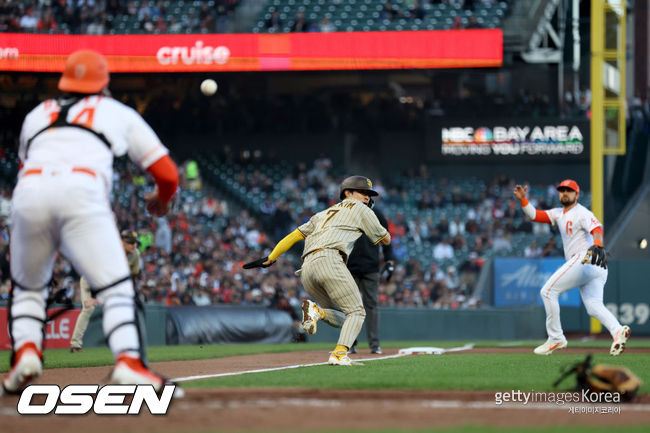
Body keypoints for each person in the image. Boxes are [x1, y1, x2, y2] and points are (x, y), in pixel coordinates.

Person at [2, 50, 179, 395]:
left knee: (28, 290)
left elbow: (27, 166)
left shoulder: (37, 115)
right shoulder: (116, 112)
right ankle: (128, 362)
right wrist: (161, 200)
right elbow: (168, 174)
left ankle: (25, 353)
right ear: (103, 84)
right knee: (115, 288)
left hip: (28, 195)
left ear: (64, 82)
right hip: (81, 194)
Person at [242, 176, 391, 366]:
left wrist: (271, 257)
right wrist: (377, 224)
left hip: (307, 269)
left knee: (344, 317)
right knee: (357, 312)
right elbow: (386, 240)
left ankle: (318, 312)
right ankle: (338, 354)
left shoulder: (322, 213)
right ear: (347, 193)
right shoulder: (362, 209)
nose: (367, 197)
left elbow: (294, 235)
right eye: (363, 192)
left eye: (369, 194)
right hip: (330, 260)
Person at [514, 179, 630, 356]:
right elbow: (534, 215)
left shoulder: (581, 212)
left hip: (586, 258)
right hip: (595, 267)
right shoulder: (558, 213)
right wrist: (523, 199)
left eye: (569, 190)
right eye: (562, 190)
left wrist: (597, 244)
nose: (565, 193)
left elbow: (597, 227)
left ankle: (556, 338)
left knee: (547, 292)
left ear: (576, 194)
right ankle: (617, 331)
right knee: (593, 306)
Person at [70, 230, 142, 353]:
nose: (133, 245)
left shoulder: (135, 254)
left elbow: (132, 275)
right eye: (130, 242)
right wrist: (95, 297)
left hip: (109, 282)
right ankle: (75, 344)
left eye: (135, 243)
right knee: (88, 308)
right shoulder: (111, 252)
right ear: (121, 241)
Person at [347, 205, 394, 355]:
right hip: (350, 265)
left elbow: (386, 238)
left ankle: (374, 344)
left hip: (370, 266)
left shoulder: (376, 213)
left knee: (370, 305)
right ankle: (350, 342)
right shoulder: (345, 211)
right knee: (351, 306)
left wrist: (389, 260)